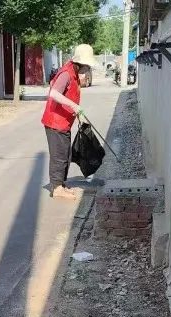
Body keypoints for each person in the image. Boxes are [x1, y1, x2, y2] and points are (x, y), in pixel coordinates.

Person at [41, 44, 97, 200]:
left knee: (66, 154)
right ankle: (57, 188)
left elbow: (70, 96)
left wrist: (77, 112)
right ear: (81, 63)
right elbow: (54, 93)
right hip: (55, 122)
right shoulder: (66, 73)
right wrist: (74, 106)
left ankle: (60, 184)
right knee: (59, 155)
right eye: (88, 66)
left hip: (64, 122)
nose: (88, 69)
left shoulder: (74, 72)